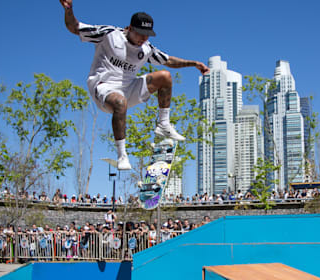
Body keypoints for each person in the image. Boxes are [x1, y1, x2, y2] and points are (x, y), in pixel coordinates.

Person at [59, 1, 210, 170]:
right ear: (129, 28)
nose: (143, 39)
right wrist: (68, 9)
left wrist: (194, 63)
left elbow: (168, 61)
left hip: (130, 88)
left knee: (165, 77)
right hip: (104, 88)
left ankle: (163, 125)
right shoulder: (109, 34)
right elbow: (75, 27)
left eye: (147, 35)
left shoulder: (146, 49)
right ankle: (122, 155)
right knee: (120, 102)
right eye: (140, 34)